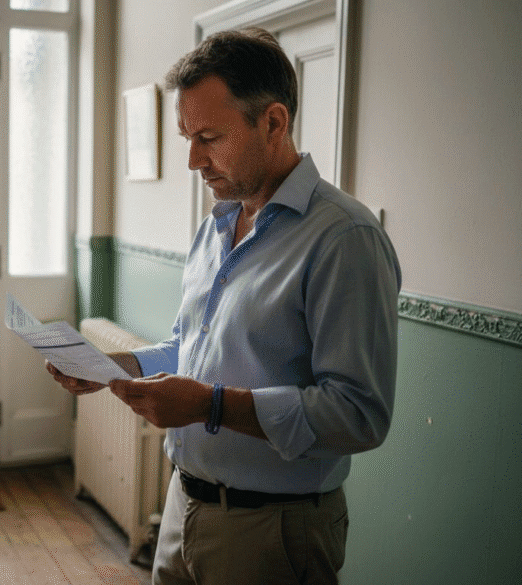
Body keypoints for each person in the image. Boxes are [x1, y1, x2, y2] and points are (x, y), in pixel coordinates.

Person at [48, 27, 401, 585]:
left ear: (274, 123)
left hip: (272, 533)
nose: (193, 160)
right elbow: (193, 347)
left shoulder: (344, 239)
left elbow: (360, 415)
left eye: (209, 137)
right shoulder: (217, 224)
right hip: (182, 506)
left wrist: (210, 406)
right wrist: (123, 367)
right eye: (187, 136)